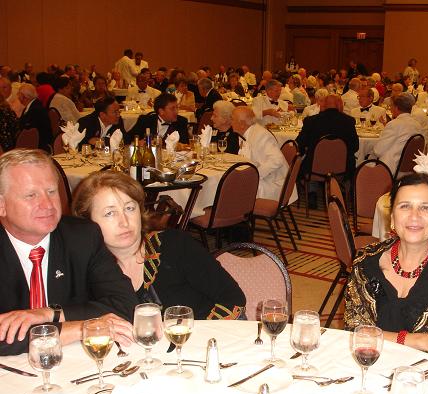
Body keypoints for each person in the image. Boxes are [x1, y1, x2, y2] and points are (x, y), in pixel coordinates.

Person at [0, 150, 138, 356]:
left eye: (51, 191)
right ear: (1, 205)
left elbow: (125, 305)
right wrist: (81, 329)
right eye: (31, 195)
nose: (47, 205)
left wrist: (50, 314)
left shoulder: (82, 237)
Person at [72, 171, 245, 319]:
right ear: (86, 222)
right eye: (110, 213)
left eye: (130, 208)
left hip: (209, 338)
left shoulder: (175, 245)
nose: (124, 222)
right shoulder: (86, 270)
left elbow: (233, 298)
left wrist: (200, 339)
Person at [344, 173, 428, 352]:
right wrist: (420, 341)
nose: (414, 216)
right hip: (372, 361)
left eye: (425, 208)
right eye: (405, 206)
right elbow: (356, 333)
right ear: (392, 217)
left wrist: (384, 337)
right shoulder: (366, 261)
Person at [296, 94, 359, 184]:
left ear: (324, 105)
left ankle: (310, 189)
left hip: (314, 169)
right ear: (339, 105)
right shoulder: (349, 121)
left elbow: (299, 144)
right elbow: (355, 146)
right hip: (343, 170)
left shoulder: (310, 121)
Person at [232, 106, 289, 201]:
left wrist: (255, 175)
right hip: (263, 177)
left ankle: (234, 209)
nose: (231, 122)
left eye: (232, 119)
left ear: (242, 124)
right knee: (232, 181)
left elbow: (277, 160)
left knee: (232, 186)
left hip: (273, 182)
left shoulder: (260, 135)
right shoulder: (246, 133)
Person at [373, 93, 423, 174]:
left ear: (396, 108)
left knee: (363, 161)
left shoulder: (394, 124)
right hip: (410, 168)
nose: (390, 108)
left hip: (390, 168)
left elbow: (378, 151)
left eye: (391, 106)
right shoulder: (418, 125)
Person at [17, 83, 52, 151]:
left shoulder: (35, 110)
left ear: (24, 97)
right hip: (36, 142)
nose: (17, 96)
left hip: (38, 146)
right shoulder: (33, 105)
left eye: (19, 94)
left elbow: (27, 130)